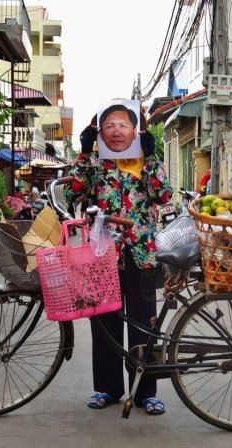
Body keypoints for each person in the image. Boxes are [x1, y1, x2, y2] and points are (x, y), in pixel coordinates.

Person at [69, 109, 173, 415]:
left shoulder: (143, 160)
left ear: (134, 130)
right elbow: (73, 190)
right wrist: (86, 152)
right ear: (100, 132)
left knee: (145, 324)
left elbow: (164, 196)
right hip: (102, 254)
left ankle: (145, 392)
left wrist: (151, 155)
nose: (116, 131)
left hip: (141, 252)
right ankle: (107, 388)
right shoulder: (96, 162)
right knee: (105, 322)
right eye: (108, 125)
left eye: (123, 125)